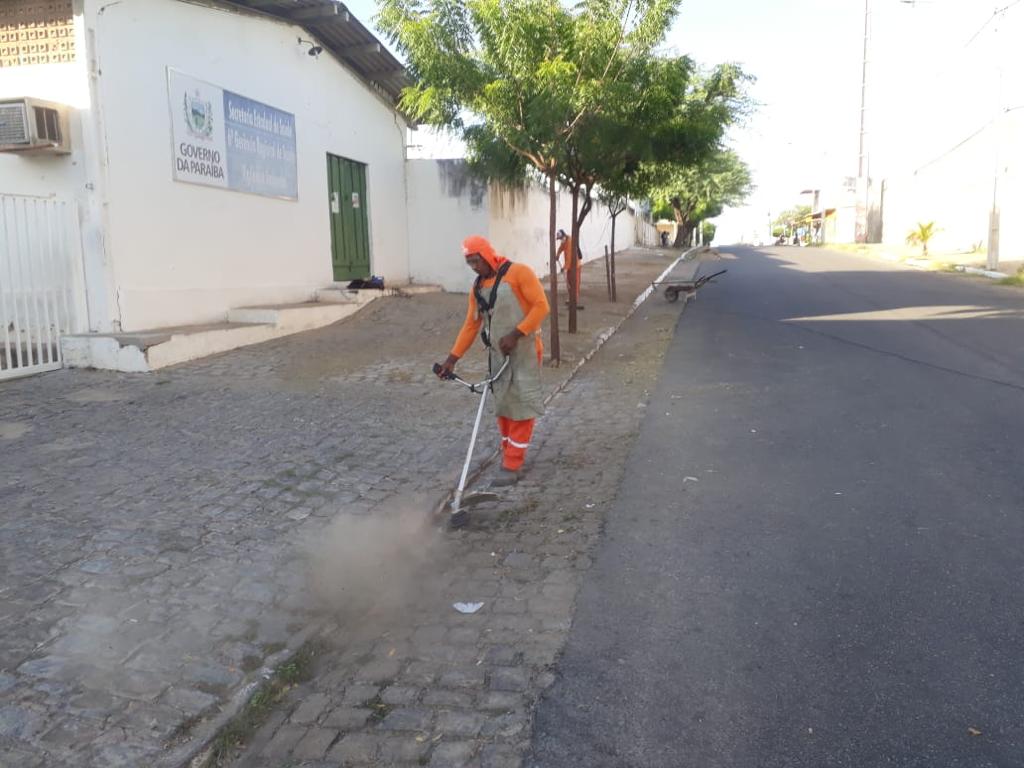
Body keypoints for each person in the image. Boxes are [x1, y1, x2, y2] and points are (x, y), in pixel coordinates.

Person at [436, 235, 550, 487]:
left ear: (487, 255)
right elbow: (470, 325)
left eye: (476, 261)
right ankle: (509, 451)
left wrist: (516, 333)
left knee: (520, 406)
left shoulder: (520, 273)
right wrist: (451, 360)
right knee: (504, 407)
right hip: (498, 353)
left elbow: (541, 307)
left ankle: (513, 463)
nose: (474, 267)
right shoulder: (477, 289)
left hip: (526, 351)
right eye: (469, 263)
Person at [555, 228, 583, 308]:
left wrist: (564, 268)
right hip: (570, 266)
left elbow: (569, 258)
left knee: (575, 283)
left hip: (576, 266)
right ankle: (571, 298)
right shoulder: (564, 241)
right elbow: (561, 248)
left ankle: (575, 300)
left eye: (560, 239)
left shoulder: (570, 242)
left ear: (563, 236)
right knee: (569, 282)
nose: (560, 240)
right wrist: (558, 255)